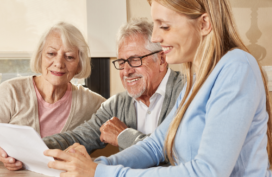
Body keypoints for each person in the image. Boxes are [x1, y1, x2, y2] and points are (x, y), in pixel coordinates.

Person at [44, 1, 272, 177]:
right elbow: (156, 146)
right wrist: (100, 166)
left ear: (204, 24)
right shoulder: (197, 78)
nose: (155, 37)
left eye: (164, 26)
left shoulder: (236, 67)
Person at [0, 22, 105, 170]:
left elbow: (122, 117)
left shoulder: (93, 103)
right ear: (40, 56)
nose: (59, 63)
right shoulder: (11, 91)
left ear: (79, 64)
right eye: (51, 54)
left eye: (69, 57)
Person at [43, 18, 184, 153]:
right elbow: (79, 138)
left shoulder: (190, 91)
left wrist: (124, 136)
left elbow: (179, 152)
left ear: (161, 60)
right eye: (122, 62)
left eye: (135, 60)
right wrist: (32, 147)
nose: (126, 71)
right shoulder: (117, 105)